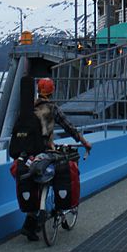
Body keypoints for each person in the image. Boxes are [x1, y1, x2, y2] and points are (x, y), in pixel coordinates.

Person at [21, 77, 92, 241]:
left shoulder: (29, 108)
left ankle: (30, 222)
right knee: (58, 174)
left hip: (28, 153)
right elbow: (69, 127)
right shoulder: (52, 108)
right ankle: (55, 209)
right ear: (52, 92)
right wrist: (84, 142)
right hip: (45, 151)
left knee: (34, 182)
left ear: (38, 90)